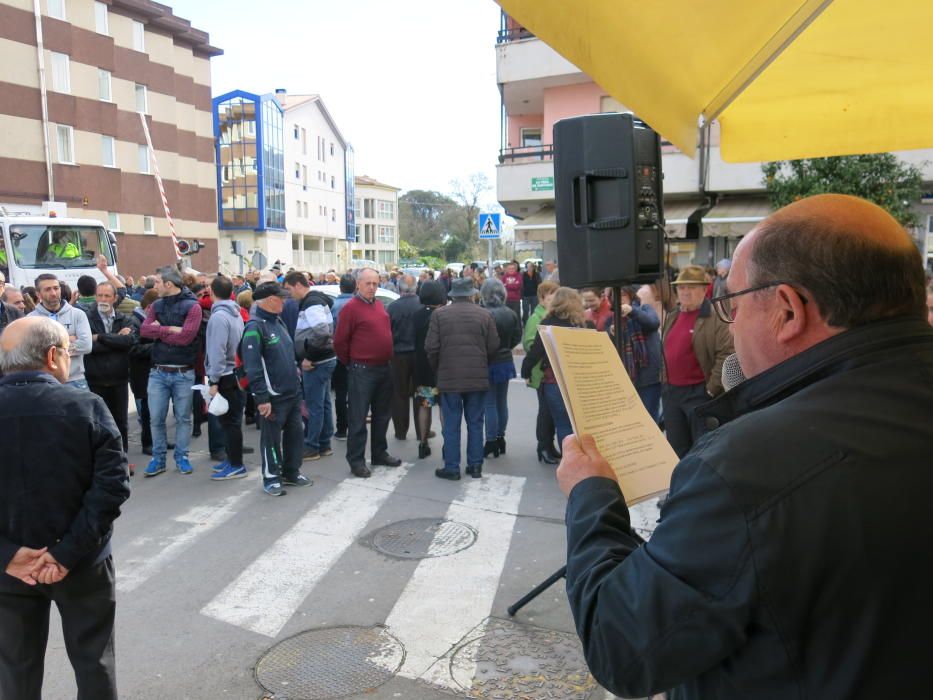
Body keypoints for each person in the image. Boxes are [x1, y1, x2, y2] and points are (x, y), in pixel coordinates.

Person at [556, 193, 933, 699]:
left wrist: (592, 496)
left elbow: (621, 647)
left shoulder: (746, 466)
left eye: (731, 305)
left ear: (786, 310)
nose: (730, 329)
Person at [0, 316, 130, 700]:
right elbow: (111, 488)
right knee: (95, 665)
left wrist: (8, 556)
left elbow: (111, 485)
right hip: (83, 562)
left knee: (15, 672)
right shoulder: (86, 406)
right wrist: (65, 553)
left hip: (9, 572)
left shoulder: (86, 405)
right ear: (54, 356)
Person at [241, 282, 312, 496]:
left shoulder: (277, 321)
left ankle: (291, 472)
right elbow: (252, 367)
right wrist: (262, 398)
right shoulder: (254, 327)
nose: (284, 301)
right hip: (273, 397)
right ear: (271, 300)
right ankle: (271, 477)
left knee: (295, 435)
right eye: (281, 298)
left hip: (291, 393)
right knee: (271, 439)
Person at [425, 277, 499, 480]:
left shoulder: (439, 315)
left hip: (449, 378)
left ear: (452, 296)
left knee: (451, 423)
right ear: (472, 294)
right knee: (475, 422)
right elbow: (493, 346)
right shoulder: (484, 315)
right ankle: (475, 466)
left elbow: (431, 347)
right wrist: (482, 363)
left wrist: (439, 367)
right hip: (477, 377)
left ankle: (452, 467)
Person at [660, 265, 734, 458]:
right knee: (676, 448)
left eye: (691, 287)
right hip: (672, 393)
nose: (685, 292)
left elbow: (726, 352)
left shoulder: (714, 316)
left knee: (702, 449)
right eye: (681, 287)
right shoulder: (673, 315)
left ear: (704, 289)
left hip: (698, 393)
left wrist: (711, 389)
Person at [333, 268, 401, 478]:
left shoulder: (379, 305)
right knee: (358, 418)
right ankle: (356, 460)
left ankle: (379, 453)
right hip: (362, 370)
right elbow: (340, 342)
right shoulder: (351, 308)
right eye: (368, 283)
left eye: (375, 283)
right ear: (358, 285)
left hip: (384, 368)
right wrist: (352, 363)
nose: (372, 287)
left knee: (382, 416)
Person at [140, 265, 202, 476]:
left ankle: (182, 457)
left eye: (156, 282)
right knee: (155, 418)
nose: (153, 286)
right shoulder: (157, 304)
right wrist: (168, 329)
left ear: (168, 284)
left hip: (183, 372)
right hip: (158, 371)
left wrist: (159, 331)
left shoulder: (193, 306)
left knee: (183, 418)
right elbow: (144, 330)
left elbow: (187, 338)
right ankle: (158, 460)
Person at [524, 287, 591, 448]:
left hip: (554, 380)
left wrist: (526, 371)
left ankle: (568, 461)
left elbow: (536, 352)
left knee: (563, 425)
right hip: (579, 381)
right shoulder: (584, 324)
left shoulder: (547, 323)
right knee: (579, 425)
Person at [283, 271, 336, 461]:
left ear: (298, 285)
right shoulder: (316, 300)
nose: (289, 294)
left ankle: (313, 446)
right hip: (326, 358)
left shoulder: (311, 303)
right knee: (324, 403)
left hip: (317, 361)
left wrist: (309, 357)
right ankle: (324, 443)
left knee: (315, 405)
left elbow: (322, 332)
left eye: (289, 289)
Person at [84, 281, 138, 456]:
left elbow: (129, 342)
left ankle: (122, 456)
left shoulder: (125, 318)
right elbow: (89, 347)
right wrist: (115, 340)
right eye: (99, 295)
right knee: (98, 423)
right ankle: (103, 458)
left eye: (107, 295)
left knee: (121, 422)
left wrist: (99, 336)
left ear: (115, 298)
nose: (102, 299)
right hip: (95, 379)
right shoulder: (87, 318)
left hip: (119, 380)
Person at [205, 275, 247, 481]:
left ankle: (236, 464)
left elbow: (217, 350)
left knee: (229, 423)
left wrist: (214, 380)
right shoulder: (235, 313)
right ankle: (232, 459)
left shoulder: (219, 317)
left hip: (225, 375)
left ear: (212, 292)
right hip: (234, 372)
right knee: (231, 421)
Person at [480, 278, 522, 458]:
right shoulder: (511, 313)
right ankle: (500, 437)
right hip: (505, 360)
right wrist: (506, 348)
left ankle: (490, 441)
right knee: (501, 401)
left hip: (487, 361)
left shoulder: (483, 313)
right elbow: (516, 337)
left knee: (489, 403)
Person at [28, 274, 92, 389]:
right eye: (48, 289)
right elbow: (31, 351)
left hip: (76, 381)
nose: (53, 293)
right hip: (44, 382)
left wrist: (49, 349)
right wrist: (68, 339)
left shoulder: (77, 314)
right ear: (38, 294)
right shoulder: (30, 319)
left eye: (56, 288)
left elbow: (86, 345)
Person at [611, 286, 662, 422]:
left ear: (631, 296)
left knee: (650, 418)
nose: (619, 298)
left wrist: (632, 311)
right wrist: (611, 333)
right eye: (615, 295)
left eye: (622, 295)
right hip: (626, 379)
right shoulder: (613, 318)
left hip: (648, 376)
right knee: (632, 421)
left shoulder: (644, 309)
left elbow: (653, 323)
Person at [522, 280, 560, 463]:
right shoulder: (535, 318)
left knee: (551, 411)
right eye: (551, 297)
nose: (554, 301)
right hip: (540, 371)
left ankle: (549, 446)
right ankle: (543, 447)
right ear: (542, 298)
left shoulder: (551, 315)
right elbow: (529, 343)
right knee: (545, 411)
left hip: (550, 371)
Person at [411, 280, 446, 459]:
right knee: (444, 407)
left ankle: (423, 443)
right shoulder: (443, 315)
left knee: (425, 405)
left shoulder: (416, 315)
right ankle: (449, 444)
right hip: (442, 369)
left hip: (422, 369)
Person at [387, 274, 423, 441]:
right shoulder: (423, 305)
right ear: (416, 287)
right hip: (419, 354)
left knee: (398, 394)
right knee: (421, 392)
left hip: (398, 354)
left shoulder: (392, 307)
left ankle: (400, 431)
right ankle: (422, 429)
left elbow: (387, 334)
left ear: (400, 288)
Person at [129, 289, 158, 455]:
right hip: (141, 373)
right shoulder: (135, 321)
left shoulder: (145, 320)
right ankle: (148, 442)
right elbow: (134, 349)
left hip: (151, 371)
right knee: (146, 412)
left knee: (155, 410)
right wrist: (157, 346)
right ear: (149, 308)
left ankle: (157, 440)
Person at [330, 274, 356, 440]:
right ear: (355, 287)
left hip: (339, 355)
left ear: (340, 288)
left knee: (341, 392)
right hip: (358, 355)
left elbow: (331, 331)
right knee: (356, 393)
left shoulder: (334, 306)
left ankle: (341, 429)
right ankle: (355, 426)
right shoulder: (358, 305)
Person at [521, 260, 540, 324]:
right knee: (525, 311)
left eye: (531, 266)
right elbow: (521, 285)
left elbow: (540, 283)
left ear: (533, 267)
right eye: (528, 266)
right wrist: (521, 295)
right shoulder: (523, 274)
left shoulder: (537, 274)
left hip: (534, 295)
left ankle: (532, 323)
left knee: (534, 311)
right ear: (526, 267)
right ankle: (525, 323)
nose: (530, 268)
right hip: (525, 296)